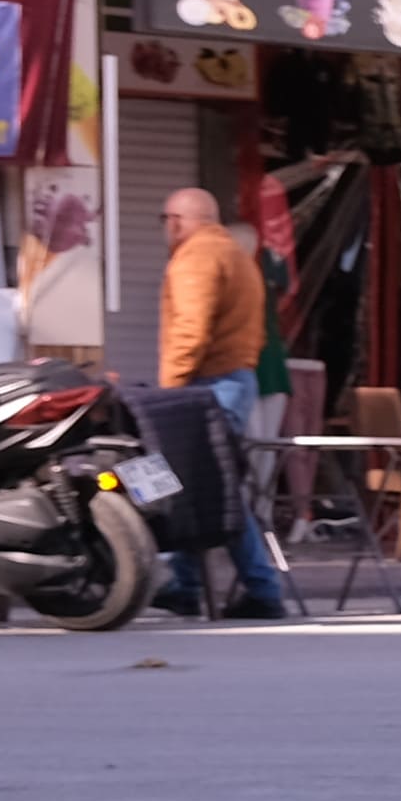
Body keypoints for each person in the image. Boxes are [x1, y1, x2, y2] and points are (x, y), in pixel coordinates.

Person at [149, 187, 293, 623]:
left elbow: (190, 331)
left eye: (165, 220)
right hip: (235, 378)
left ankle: (261, 588)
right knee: (197, 484)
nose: (165, 230)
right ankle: (186, 586)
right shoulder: (236, 254)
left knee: (215, 487)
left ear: (177, 221)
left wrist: (170, 391)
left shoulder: (196, 257)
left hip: (207, 384)